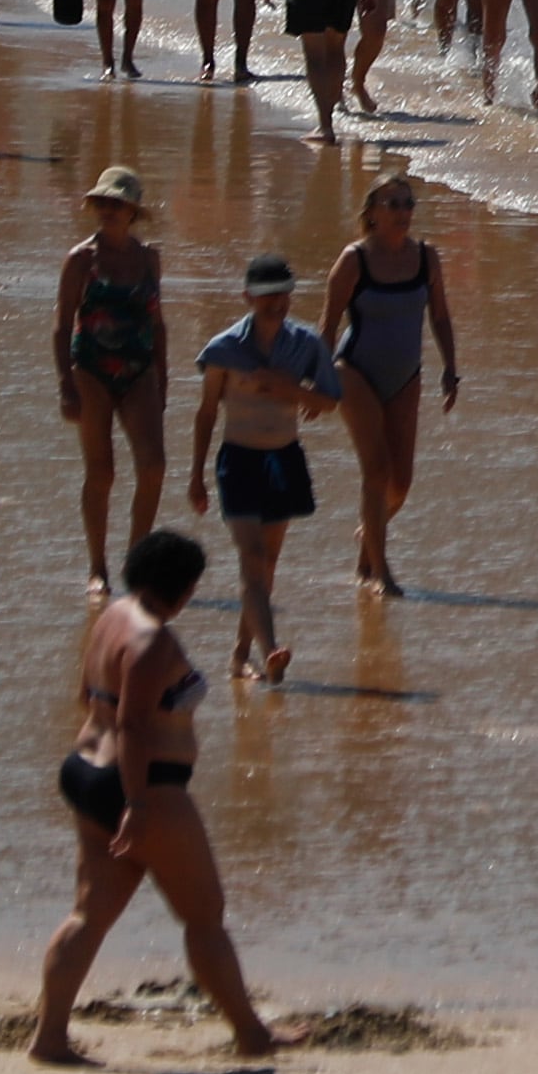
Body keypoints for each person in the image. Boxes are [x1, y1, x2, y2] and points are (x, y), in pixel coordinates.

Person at [35, 527, 275, 1065]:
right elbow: (135, 726)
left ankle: (48, 1038)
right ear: (184, 588)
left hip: (84, 773)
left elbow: (87, 697)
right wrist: (139, 806)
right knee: (204, 915)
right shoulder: (153, 641)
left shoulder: (111, 617)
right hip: (141, 787)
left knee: (88, 915)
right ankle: (251, 1035)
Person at [186, 258, 330, 686]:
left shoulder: (306, 345)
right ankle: (270, 651)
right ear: (247, 296)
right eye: (267, 294)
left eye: (284, 292)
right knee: (251, 558)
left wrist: (287, 388)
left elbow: (329, 402)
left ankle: (240, 656)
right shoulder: (223, 349)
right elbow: (207, 412)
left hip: (283, 458)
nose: (276, 302)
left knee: (266, 566)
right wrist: (196, 475)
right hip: (240, 459)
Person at [319, 170, 459, 600]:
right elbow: (326, 325)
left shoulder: (426, 258)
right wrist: (319, 379)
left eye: (408, 203)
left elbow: (439, 315)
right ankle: (381, 573)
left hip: (406, 376)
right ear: (372, 213)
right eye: (392, 204)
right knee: (376, 471)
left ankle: (369, 539)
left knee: (401, 483)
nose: (402, 212)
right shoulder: (354, 260)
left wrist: (450, 368)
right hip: (354, 369)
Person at [53, 167, 168, 595]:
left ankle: (136, 561)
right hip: (92, 370)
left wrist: (164, 378)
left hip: (139, 371)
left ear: (133, 212)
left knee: (153, 465)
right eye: (103, 202)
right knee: (101, 472)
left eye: (117, 204)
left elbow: (158, 324)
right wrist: (65, 384)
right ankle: (97, 567)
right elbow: (62, 326)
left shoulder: (149, 258)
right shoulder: (81, 259)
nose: (108, 210)